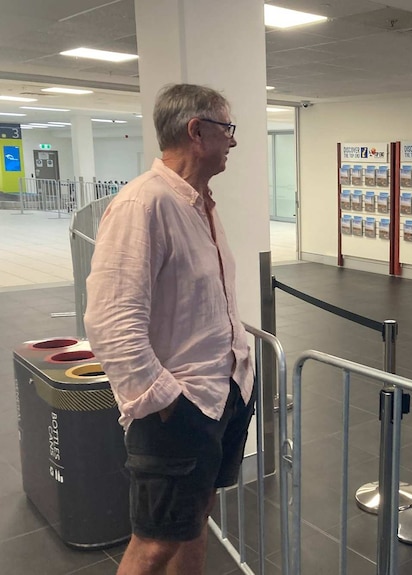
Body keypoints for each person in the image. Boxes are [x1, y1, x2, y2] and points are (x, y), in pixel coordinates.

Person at [84, 83, 256, 575]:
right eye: (228, 130)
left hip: (223, 392)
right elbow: (111, 321)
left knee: (195, 518)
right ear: (196, 131)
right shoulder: (144, 204)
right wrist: (163, 400)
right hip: (178, 407)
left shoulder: (202, 202)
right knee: (154, 544)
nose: (233, 142)